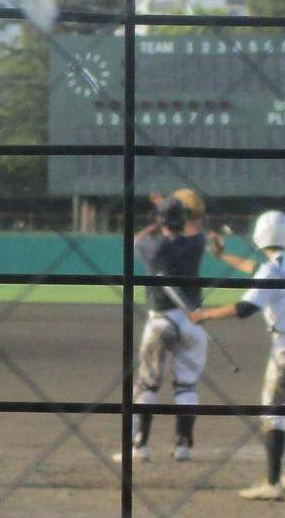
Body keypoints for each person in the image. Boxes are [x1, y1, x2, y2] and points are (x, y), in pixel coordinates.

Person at [192, 210, 285, 501]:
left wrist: (204, 315)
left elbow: (245, 308)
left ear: (260, 235)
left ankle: (272, 483)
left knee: (271, 413)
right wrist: (224, 256)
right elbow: (255, 269)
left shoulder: (271, 270)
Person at [116, 195, 209, 464]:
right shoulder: (197, 244)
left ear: (161, 221)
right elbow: (197, 231)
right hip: (192, 321)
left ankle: (140, 446)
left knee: (147, 384)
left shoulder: (153, 247)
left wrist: (157, 220)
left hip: (161, 321)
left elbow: (136, 239)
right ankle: (183, 446)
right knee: (187, 386)